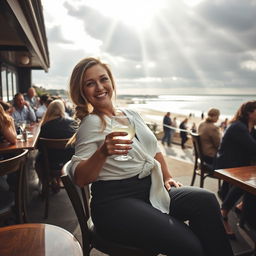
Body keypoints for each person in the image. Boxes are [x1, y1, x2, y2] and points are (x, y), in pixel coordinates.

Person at [67, 57, 234, 256]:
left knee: (206, 200)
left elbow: (154, 150)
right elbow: (80, 178)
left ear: (111, 82)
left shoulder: (131, 114)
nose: (100, 87)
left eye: (103, 79)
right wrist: (102, 152)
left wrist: (167, 176)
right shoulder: (91, 123)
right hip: (115, 202)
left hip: (150, 190)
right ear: (82, 91)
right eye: (90, 83)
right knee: (191, 246)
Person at [215, 101, 256, 238]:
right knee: (249, 180)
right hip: (228, 164)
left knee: (252, 177)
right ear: (250, 113)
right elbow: (253, 148)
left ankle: (242, 206)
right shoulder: (238, 127)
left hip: (239, 163)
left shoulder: (250, 128)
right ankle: (224, 211)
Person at [35, 99, 77, 192]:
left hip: (50, 162)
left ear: (49, 110)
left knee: (37, 162)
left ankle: (47, 184)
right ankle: (61, 183)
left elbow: (39, 147)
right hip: (69, 161)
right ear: (63, 109)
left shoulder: (44, 126)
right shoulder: (72, 123)